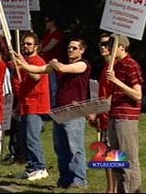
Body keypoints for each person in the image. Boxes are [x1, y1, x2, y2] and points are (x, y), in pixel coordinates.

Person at [14, 37, 91, 188]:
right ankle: (65, 180)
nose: (70, 50)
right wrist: (23, 63)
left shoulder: (83, 64)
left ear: (82, 50)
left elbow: (61, 68)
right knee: (60, 148)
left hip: (74, 111)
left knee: (74, 147)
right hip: (59, 110)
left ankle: (79, 180)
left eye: (74, 48)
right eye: (69, 47)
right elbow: (39, 70)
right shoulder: (61, 65)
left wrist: (54, 63)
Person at [105, 34, 143, 193]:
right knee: (117, 161)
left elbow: (137, 94)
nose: (108, 49)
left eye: (112, 45)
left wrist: (116, 81)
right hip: (115, 116)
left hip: (126, 118)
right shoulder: (117, 66)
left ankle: (133, 190)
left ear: (121, 46)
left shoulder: (130, 65)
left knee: (129, 161)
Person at [16, 31, 50, 181]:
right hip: (25, 105)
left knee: (32, 138)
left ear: (36, 46)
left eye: (29, 44)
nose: (25, 46)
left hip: (36, 106)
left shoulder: (38, 61)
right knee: (25, 139)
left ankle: (40, 167)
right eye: (24, 43)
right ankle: (31, 168)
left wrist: (25, 65)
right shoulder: (26, 61)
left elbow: (36, 76)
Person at [87, 33, 115, 193]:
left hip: (114, 117)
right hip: (104, 117)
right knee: (105, 155)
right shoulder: (105, 68)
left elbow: (114, 93)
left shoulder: (115, 66)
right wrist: (95, 114)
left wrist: (99, 110)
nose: (103, 47)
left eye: (106, 44)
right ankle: (110, 188)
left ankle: (113, 189)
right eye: (101, 44)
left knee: (113, 156)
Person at [40, 15, 65, 109]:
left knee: (53, 87)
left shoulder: (58, 34)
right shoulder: (47, 34)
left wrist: (40, 49)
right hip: (45, 64)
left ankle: (53, 107)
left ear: (53, 22)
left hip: (54, 64)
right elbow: (40, 45)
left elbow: (48, 47)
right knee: (47, 86)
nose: (45, 23)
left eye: (47, 21)